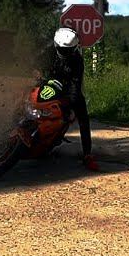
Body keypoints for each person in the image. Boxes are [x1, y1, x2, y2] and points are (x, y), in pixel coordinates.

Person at [35, 27, 98, 171]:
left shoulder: (78, 60)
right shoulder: (48, 50)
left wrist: (71, 100)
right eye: (62, 49)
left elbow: (76, 84)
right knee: (27, 93)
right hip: (48, 80)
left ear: (74, 48)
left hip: (67, 87)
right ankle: (12, 124)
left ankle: (87, 154)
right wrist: (36, 73)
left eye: (68, 50)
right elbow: (35, 63)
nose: (64, 52)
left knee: (83, 115)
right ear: (56, 45)